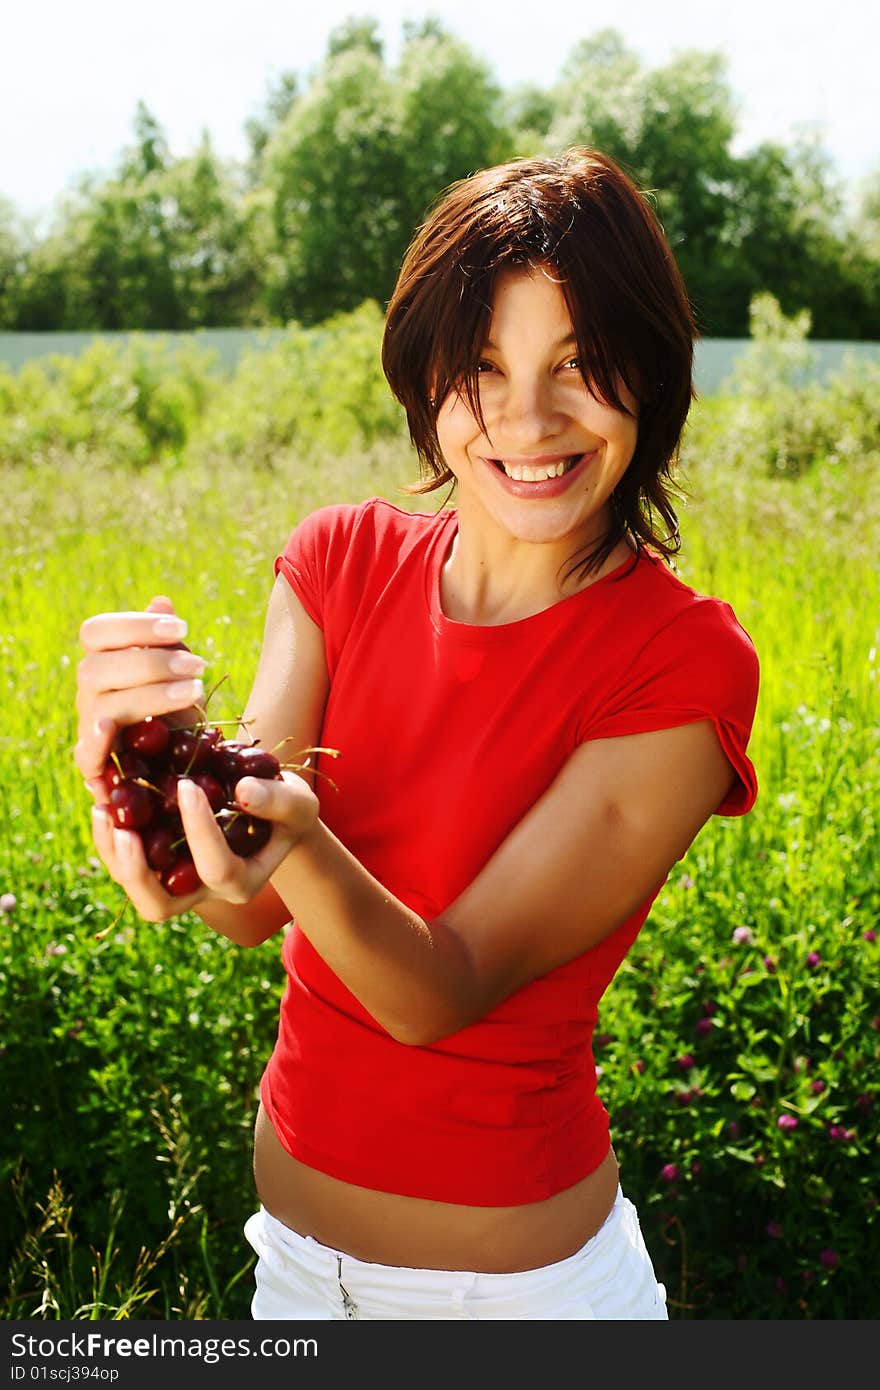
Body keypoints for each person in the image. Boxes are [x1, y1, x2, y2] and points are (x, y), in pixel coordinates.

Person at [74, 147, 759, 1321]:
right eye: (479, 368)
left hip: (524, 1299)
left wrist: (292, 837)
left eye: (582, 366)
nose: (527, 419)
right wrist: (147, 779)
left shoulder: (682, 662)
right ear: (423, 378)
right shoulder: (338, 560)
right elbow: (243, 906)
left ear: (652, 371)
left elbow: (441, 987)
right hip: (291, 1267)